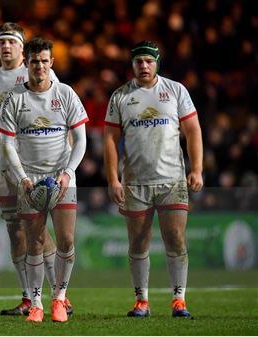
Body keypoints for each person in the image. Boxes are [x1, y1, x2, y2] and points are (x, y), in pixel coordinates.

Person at [0, 22, 73, 316]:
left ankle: (58, 295)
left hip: (38, 166)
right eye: (1, 41)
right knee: (15, 231)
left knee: (38, 232)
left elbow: (56, 115)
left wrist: (62, 162)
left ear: (22, 48)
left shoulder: (39, 72)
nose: (5, 47)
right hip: (5, 166)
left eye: (11, 42)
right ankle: (28, 297)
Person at [103, 41, 203, 318]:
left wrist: (197, 169)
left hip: (172, 179)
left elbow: (193, 130)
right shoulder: (121, 96)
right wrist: (113, 178)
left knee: (175, 239)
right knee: (137, 242)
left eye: (148, 61)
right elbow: (110, 140)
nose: (143, 66)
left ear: (157, 63)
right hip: (135, 182)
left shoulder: (175, 90)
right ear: (132, 65)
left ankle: (179, 300)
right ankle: (142, 301)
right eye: (138, 61)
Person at [0, 37, 88, 323]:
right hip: (30, 182)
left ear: (51, 63)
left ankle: (59, 299)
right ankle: (36, 304)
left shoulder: (66, 94)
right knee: (34, 242)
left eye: (45, 61)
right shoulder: (15, 97)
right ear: (27, 64)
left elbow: (81, 140)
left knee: (66, 239)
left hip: (62, 180)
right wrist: (21, 177)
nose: (40, 66)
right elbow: (7, 143)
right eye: (35, 61)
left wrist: (68, 172)